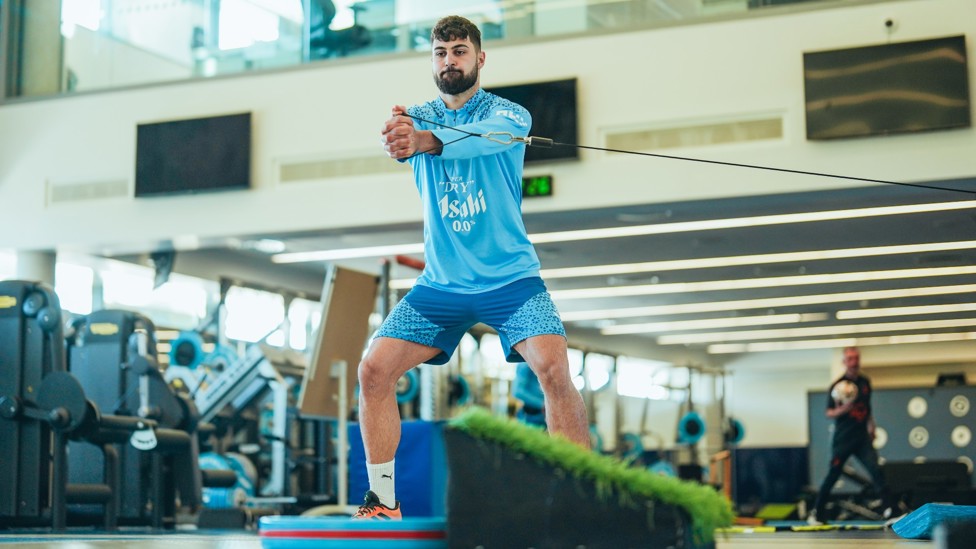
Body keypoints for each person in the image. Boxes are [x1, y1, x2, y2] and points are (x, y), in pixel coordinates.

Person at [354, 14, 589, 520]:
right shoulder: (414, 116)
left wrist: (423, 141)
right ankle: (383, 500)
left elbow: (482, 137)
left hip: (511, 280)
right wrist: (397, 137)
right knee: (373, 370)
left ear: (479, 58)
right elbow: (399, 136)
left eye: (459, 51)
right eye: (440, 53)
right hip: (442, 284)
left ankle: (580, 497)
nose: (449, 61)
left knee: (552, 368)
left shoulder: (511, 114)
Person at [808, 346, 887, 525]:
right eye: (850, 358)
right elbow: (829, 413)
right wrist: (844, 408)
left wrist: (871, 426)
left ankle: (891, 510)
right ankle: (817, 512)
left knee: (876, 470)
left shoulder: (865, 383)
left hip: (861, 438)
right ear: (844, 362)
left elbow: (868, 409)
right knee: (833, 474)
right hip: (843, 438)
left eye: (856, 358)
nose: (854, 361)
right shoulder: (838, 386)